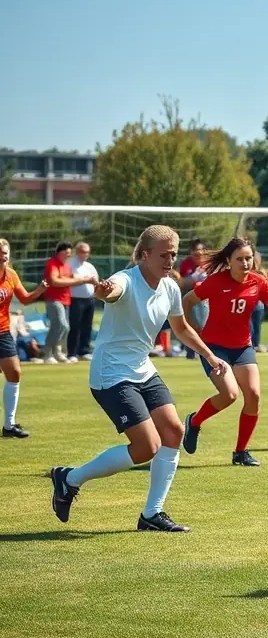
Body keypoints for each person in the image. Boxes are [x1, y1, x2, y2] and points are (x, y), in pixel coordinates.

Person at [49, 226, 228, 532]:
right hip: (111, 374)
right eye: (163, 254)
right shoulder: (126, 279)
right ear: (145, 255)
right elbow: (112, 290)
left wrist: (210, 356)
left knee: (173, 431)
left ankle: (151, 514)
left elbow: (181, 328)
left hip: (143, 369)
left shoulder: (171, 287)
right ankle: (69, 478)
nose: (170, 260)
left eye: (173, 253)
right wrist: (105, 292)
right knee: (147, 446)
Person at [181, 238, 268, 467]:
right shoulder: (215, 282)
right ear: (229, 261)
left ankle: (241, 453)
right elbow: (187, 300)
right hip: (214, 348)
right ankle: (194, 422)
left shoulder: (258, 281)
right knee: (230, 395)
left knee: (253, 396)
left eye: (248, 258)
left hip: (243, 347)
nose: (245, 263)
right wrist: (191, 328)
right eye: (240, 259)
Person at [0, 239, 48, 438]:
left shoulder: (11, 275)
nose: (3, 255)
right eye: (0, 252)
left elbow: (25, 298)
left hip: (2, 331)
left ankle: (9, 426)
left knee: (15, 373)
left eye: (5, 252)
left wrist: (40, 289)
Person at [43, 242, 95, 363]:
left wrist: (83, 279)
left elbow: (72, 277)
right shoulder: (53, 264)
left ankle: (57, 352)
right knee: (62, 325)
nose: (68, 256)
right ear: (60, 252)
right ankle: (48, 353)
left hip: (65, 300)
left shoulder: (66, 266)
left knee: (64, 328)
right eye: (66, 253)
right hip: (54, 299)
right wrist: (80, 281)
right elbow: (55, 281)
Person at [67, 241, 99, 362]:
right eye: (83, 252)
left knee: (87, 326)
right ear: (77, 252)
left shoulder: (89, 266)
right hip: (75, 299)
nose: (85, 255)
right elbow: (71, 278)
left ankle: (84, 350)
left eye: (87, 252)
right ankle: (72, 352)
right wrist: (85, 280)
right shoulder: (70, 264)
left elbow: (96, 279)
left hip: (89, 299)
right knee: (74, 326)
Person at [178, 239, 209, 359]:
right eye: (195, 251)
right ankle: (190, 351)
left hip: (205, 301)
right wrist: (194, 277)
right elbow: (183, 282)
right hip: (189, 300)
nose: (199, 254)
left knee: (203, 327)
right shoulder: (186, 264)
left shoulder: (209, 265)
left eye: (201, 251)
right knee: (188, 325)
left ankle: (203, 351)